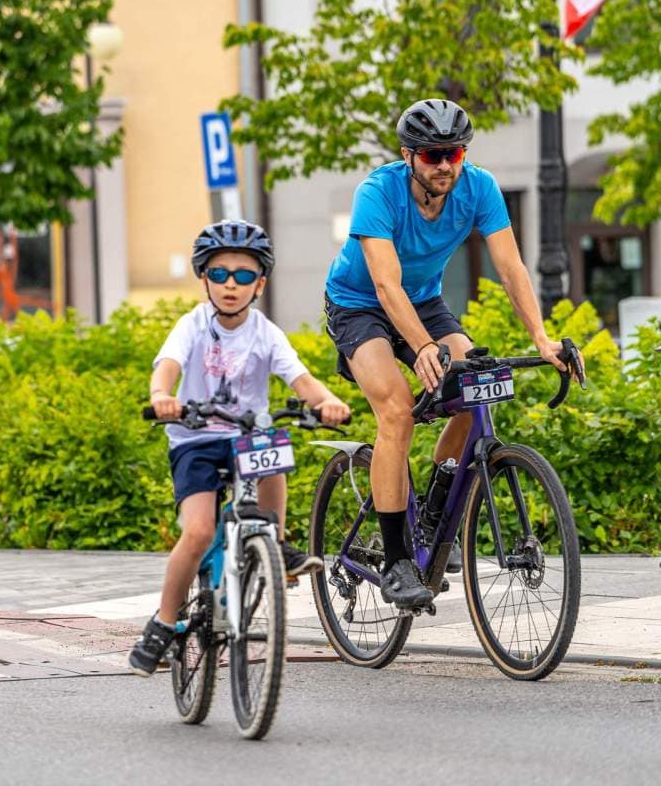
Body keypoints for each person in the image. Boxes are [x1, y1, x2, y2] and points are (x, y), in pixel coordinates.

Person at [324, 98, 584, 609]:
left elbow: (510, 267)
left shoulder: (479, 188)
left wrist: (541, 337)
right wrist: (421, 345)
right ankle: (397, 560)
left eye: (455, 154)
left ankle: (434, 513)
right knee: (397, 410)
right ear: (408, 155)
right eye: (432, 155)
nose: (445, 165)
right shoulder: (377, 192)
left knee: (474, 386)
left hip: (424, 302)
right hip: (360, 305)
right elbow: (385, 283)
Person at [130, 219, 351, 676]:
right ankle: (163, 622)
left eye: (244, 275)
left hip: (245, 437)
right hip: (195, 439)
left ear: (260, 284)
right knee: (198, 533)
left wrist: (327, 401)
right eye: (220, 274)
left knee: (271, 444)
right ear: (204, 279)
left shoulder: (265, 332)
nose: (231, 284)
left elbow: (300, 378)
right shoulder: (191, 325)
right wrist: (161, 396)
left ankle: (275, 540)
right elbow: (167, 365)